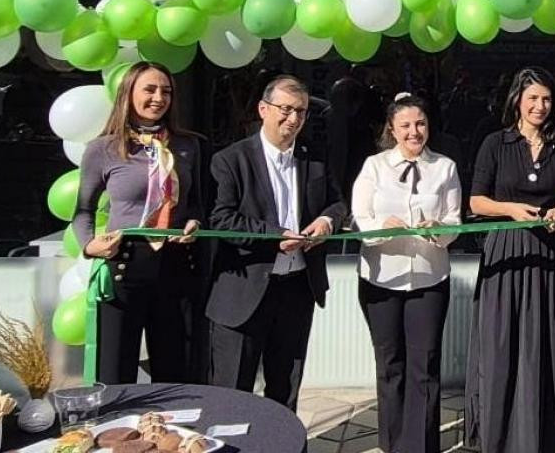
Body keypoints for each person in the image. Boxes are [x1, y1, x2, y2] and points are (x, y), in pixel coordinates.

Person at [206, 75, 345, 411]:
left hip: (297, 290)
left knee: (285, 392)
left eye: (301, 111)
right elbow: (220, 219)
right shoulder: (230, 159)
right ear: (263, 109)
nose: (293, 118)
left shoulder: (315, 158)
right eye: (286, 109)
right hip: (243, 292)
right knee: (232, 394)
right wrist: (274, 237)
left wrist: (326, 222)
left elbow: (338, 204)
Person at [464, 66, 555, 453]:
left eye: (546, 99)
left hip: (548, 254)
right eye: (533, 98)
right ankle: (498, 437)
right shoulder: (495, 143)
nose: (540, 106)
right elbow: (476, 201)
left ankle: (542, 438)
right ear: (517, 100)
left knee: (544, 344)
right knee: (501, 345)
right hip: (506, 253)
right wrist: (510, 209)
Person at [75, 62, 202, 384]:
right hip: (124, 262)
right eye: (150, 89)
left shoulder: (188, 146)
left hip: (175, 262)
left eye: (166, 91)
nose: (159, 98)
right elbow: (83, 210)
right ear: (128, 93)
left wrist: (194, 223)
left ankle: (173, 419)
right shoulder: (103, 149)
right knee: (114, 370)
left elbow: (197, 204)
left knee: (176, 372)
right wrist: (89, 245)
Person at [351, 93, 462, 453]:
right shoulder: (374, 166)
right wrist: (383, 227)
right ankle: (393, 444)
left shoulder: (445, 167)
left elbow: (455, 222)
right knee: (390, 364)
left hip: (429, 278)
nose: (414, 132)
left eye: (420, 123)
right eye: (406, 125)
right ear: (392, 129)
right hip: (381, 278)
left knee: (424, 364)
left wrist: (439, 229)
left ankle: (421, 446)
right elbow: (360, 219)